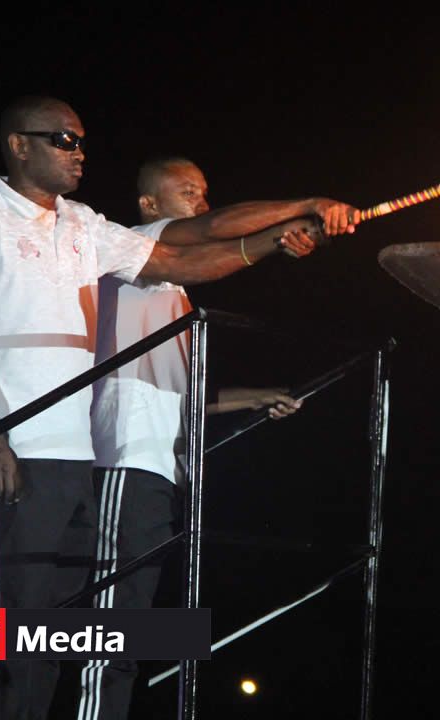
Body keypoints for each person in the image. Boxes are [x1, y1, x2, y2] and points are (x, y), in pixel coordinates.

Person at [0, 96, 356, 720]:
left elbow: (184, 263)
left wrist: (272, 243)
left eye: (81, 140)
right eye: (61, 140)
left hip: (82, 461)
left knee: (53, 637)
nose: (78, 151)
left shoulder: (84, 227)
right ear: (18, 145)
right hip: (16, 448)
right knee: (7, 635)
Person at [79, 156, 307, 719]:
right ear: (151, 207)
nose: (203, 206)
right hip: (125, 456)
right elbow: (211, 235)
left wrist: (256, 397)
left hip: (164, 465)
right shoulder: (134, 251)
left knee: (137, 622)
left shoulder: (177, 297)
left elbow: (187, 401)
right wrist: (290, 224)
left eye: (206, 194)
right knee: (116, 618)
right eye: (188, 194)